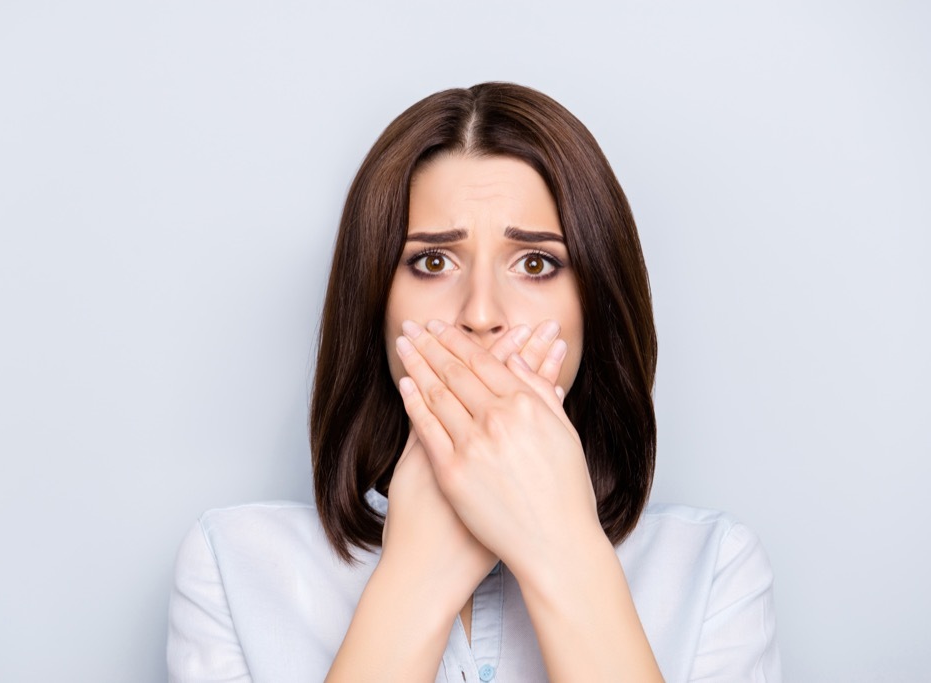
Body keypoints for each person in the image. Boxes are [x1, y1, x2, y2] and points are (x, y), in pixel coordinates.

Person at [166, 82, 781, 682]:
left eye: (536, 263)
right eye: (433, 261)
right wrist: (414, 578)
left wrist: (562, 548)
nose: (481, 313)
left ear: (595, 300)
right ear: (375, 302)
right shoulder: (233, 565)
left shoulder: (713, 570)